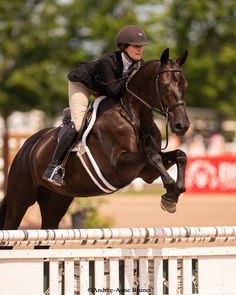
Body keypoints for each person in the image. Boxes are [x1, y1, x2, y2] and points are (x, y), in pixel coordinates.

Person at [43, 25, 148, 186]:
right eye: (136, 46)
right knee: (78, 124)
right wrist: (131, 76)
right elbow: (114, 92)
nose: (140, 49)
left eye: (141, 46)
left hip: (104, 87)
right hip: (82, 84)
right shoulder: (108, 62)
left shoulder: (139, 64)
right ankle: (53, 167)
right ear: (124, 47)